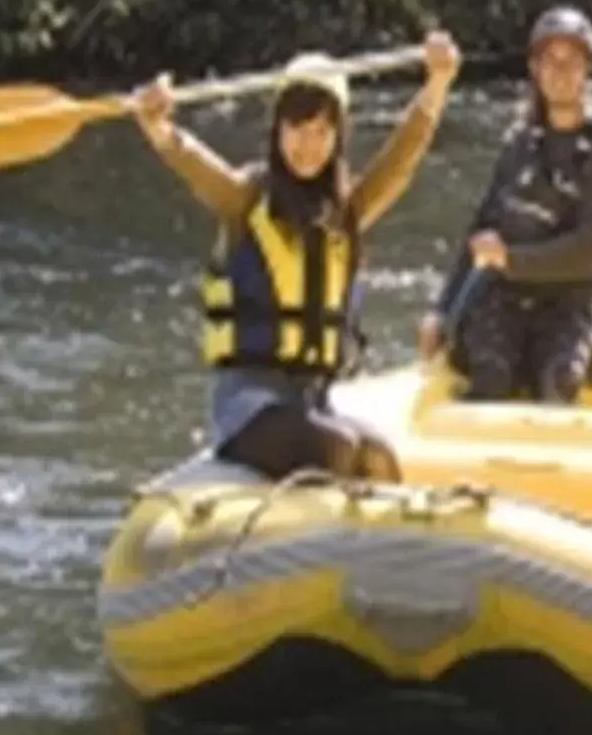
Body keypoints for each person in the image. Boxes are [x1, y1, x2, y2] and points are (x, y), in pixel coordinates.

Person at [130, 31, 461, 482]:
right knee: (337, 447)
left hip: (313, 401)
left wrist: (437, 84)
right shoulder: (246, 200)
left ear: (338, 138)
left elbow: (399, 163)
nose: (309, 145)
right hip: (249, 407)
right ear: (277, 130)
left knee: (378, 458)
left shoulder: (347, 212)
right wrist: (159, 129)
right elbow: (197, 168)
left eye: (323, 131)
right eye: (298, 129)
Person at [419, 4, 592, 403]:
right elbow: (481, 228)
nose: (561, 72)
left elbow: (591, 250)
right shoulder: (520, 141)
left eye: (572, 62)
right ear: (535, 68)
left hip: (565, 305)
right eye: (551, 61)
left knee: (561, 380)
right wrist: (442, 310)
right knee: (491, 376)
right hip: (502, 300)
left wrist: (511, 259)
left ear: (587, 70)